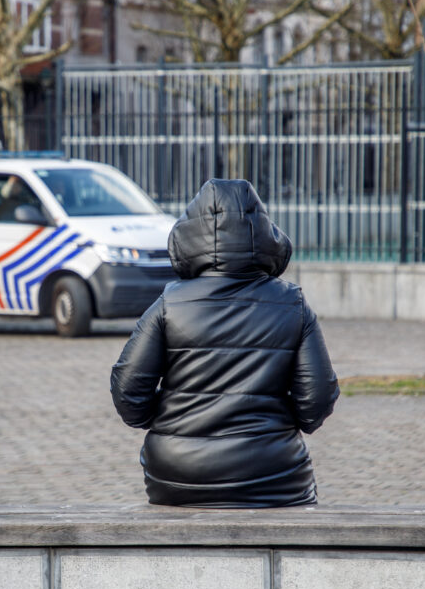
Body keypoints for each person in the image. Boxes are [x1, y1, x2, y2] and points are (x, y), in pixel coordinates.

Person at [110, 178, 340, 508]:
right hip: (271, 472)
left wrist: (173, 420)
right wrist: (271, 422)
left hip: (177, 473)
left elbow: (127, 392)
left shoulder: (169, 303)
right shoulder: (292, 303)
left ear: (189, 236)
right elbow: (317, 400)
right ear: (263, 234)